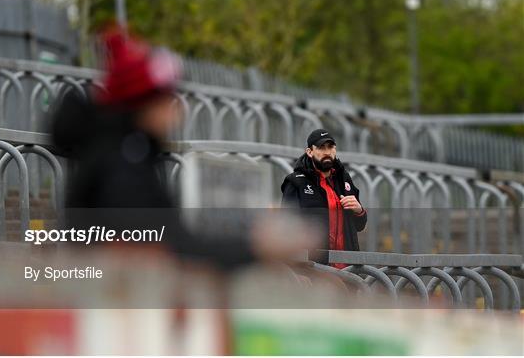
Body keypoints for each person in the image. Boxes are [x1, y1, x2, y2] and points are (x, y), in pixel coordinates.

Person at [51, 27, 317, 269]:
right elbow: (171, 252)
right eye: (168, 98)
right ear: (143, 105)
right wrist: (257, 246)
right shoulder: (122, 167)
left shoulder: (127, 153)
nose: (178, 109)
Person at [281, 129, 367, 268]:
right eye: (321, 147)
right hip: (314, 270)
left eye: (330, 147)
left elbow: (360, 225)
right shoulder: (296, 182)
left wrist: (359, 211)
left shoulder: (344, 179)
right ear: (310, 152)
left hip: (348, 269)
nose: (327, 152)